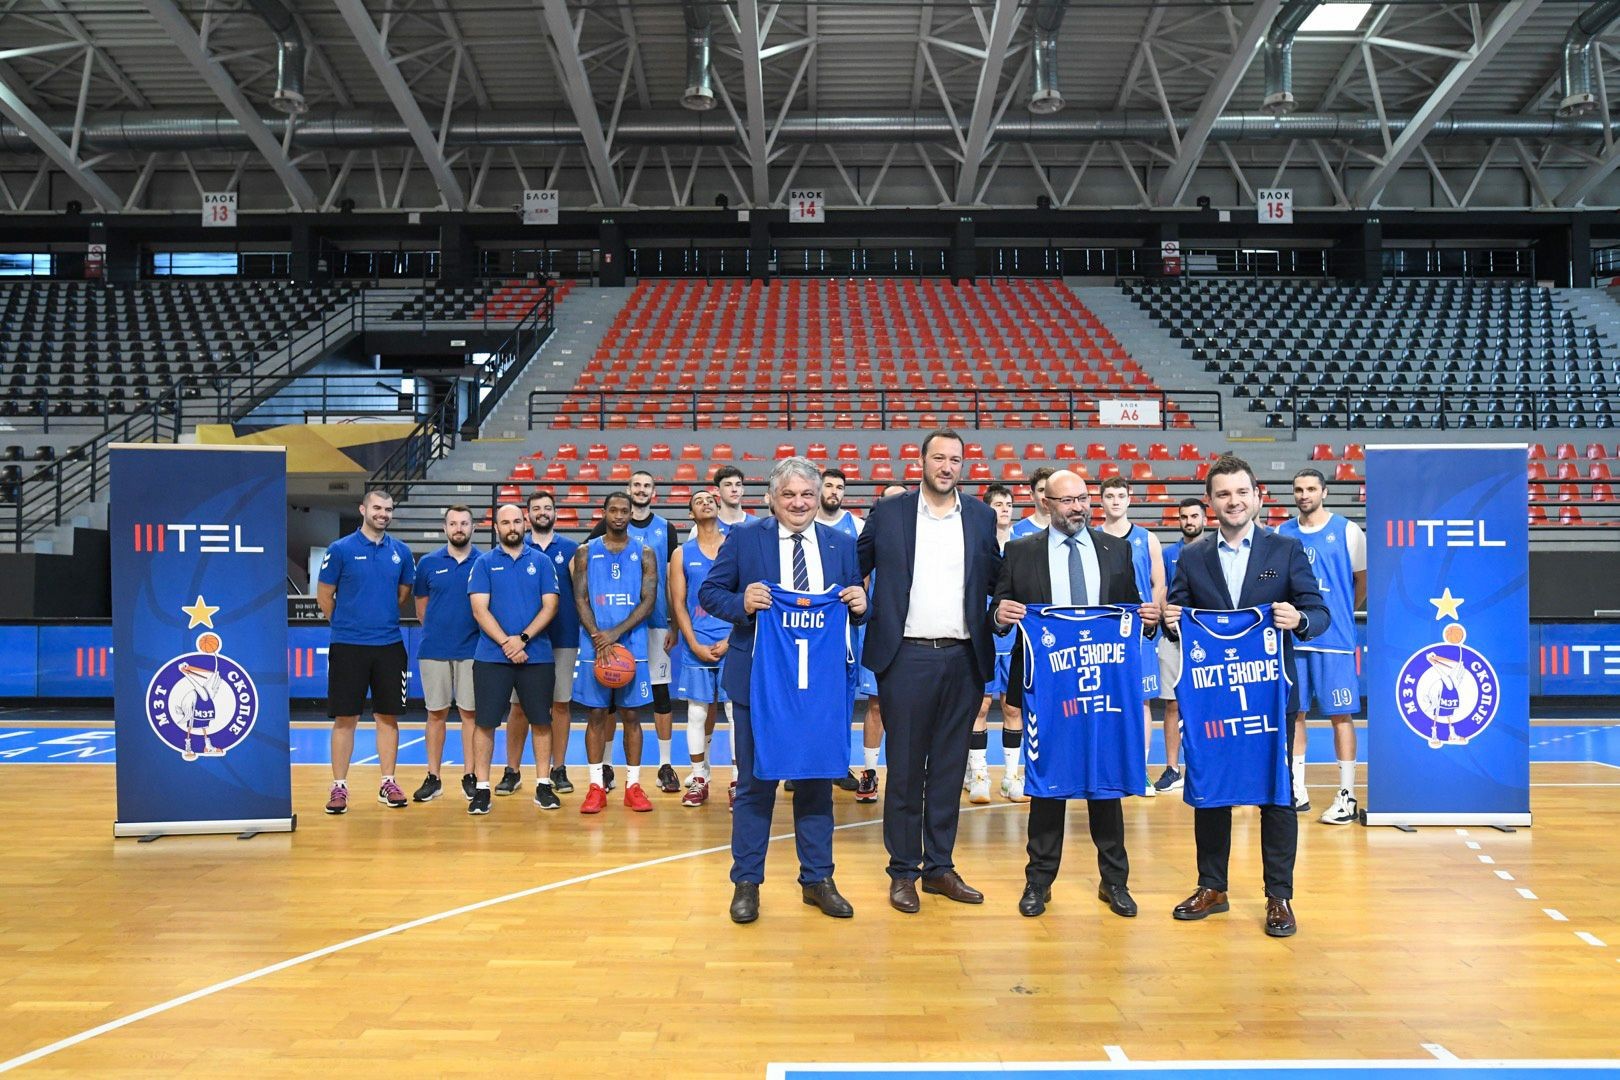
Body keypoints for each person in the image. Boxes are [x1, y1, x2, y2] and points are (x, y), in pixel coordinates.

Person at [1163, 454, 1329, 939]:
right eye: (1223, 494)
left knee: (1277, 794)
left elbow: (1319, 612)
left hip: (1272, 696)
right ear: (1210, 501)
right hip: (1213, 697)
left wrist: (1299, 619)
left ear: (1257, 496)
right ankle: (1212, 887)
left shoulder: (1286, 550)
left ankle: (1279, 896)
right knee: (1211, 787)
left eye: (1241, 492)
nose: (1233, 501)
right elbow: (1181, 619)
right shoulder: (1192, 556)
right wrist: (1171, 623)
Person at [699, 457, 868, 924]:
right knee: (756, 785)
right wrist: (742, 603)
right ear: (771, 499)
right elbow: (710, 593)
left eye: (807, 495)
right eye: (789, 495)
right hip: (758, 682)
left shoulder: (840, 544)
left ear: (819, 498)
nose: (798, 503)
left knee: (816, 782)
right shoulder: (744, 538)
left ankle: (818, 879)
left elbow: (856, 605)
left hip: (819, 687)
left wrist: (861, 604)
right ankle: (746, 883)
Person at [991, 470, 1159, 918]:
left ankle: (1115, 882)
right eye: (1067, 501)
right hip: (1046, 687)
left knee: (1105, 783)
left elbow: (1131, 613)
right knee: (1048, 784)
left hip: (1103, 682)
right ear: (1046, 503)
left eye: (1083, 498)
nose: (1078, 507)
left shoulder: (1115, 549)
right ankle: (1038, 882)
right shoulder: (1021, 551)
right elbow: (998, 609)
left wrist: (1148, 621)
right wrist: (1001, 616)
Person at [857, 430, 1002, 913]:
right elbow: (853, 566)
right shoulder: (889, 512)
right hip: (905, 657)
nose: (946, 466)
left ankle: (939, 867)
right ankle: (903, 871)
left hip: (963, 657)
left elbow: (997, 578)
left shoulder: (980, 516)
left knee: (947, 768)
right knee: (904, 770)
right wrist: (859, 606)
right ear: (921, 461)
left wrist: (1002, 610)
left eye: (955, 459)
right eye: (938, 457)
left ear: (963, 466)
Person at [1276, 468, 1366, 824]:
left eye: (1311, 489)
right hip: (1294, 640)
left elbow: (1362, 580)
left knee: (1340, 716)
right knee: (1294, 714)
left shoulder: (1347, 531)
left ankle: (1347, 795)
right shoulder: (1282, 533)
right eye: (1299, 489)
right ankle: (1296, 789)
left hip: (1335, 640)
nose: (1304, 495)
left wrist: (1340, 613)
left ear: (1324, 492)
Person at [316, 489, 415, 814]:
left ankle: (388, 782)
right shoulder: (340, 550)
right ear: (363, 509)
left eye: (388, 509)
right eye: (377, 508)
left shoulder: (401, 552)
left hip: (389, 645)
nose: (383, 513)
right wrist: (347, 624)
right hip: (348, 646)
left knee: (388, 716)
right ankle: (338, 786)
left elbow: (402, 594)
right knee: (346, 717)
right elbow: (324, 596)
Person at [466, 504, 561, 815]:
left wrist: (522, 639)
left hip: (536, 655)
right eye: (505, 522)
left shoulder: (543, 562)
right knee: (485, 722)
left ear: (525, 524)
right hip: (492, 656)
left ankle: (543, 785)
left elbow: (550, 606)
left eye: (517, 521)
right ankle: (482, 788)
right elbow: (479, 609)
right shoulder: (483, 563)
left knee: (542, 721)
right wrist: (507, 643)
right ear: (496, 527)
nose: (511, 526)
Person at [591, 471, 681, 793]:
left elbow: (672, 578)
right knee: (610, 694)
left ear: (653, 491)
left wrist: (674, 622)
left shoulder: (666, 528)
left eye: (647, 486)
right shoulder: (607, 527)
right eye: (636, 485)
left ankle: (665, 765)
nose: (641, 490)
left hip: (654, 623)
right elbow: (584, 566)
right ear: (628, 490)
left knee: (660, 694)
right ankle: (606, 766)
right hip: (614, 627)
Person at [573, 491, 658, 814]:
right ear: (604, 512)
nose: (619, 515)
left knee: (632, 716)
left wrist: (615, 633)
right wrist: (599, 636)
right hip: (594, 642)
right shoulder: (585, 552)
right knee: (596, 714)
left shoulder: (645, 553)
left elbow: (648, 601)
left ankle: (633, 786)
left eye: (624, 510)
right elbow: (580, 598)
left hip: (631, 643)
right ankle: (596, 786)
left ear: (631, 513)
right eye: (614, 510)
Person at [494, 490, 580, 802]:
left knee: (560, 704)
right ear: (527, 516)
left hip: (563, 636)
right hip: (524, 641)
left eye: (548, 507)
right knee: (518, 707)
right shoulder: (517, 547)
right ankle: (512, 770)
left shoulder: (571, 549)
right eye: (536, 508)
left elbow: (581, 594)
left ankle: (558, 768)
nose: (543, 512)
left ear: (555, 513)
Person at [1098, 476, 1167, 797]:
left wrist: (1154, 611)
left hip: (1139, 631)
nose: (1115, 501)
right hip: (1105, 630)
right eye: (1109, 495)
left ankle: (1140, 770)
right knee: (1104, 700)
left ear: (1129, 499)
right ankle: (1108, 767)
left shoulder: (1147, 538)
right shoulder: (1091, 537)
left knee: (1141, 700)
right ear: (1101, 500)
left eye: (1120, 495)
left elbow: (1159, 583)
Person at [411, 505, 481, 803]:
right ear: (445, 528)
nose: (459, 528)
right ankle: (434, 777)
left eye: (464, 523)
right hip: (435, 650)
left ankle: (471, 775)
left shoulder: (484, 562)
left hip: (473, 650)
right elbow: (421, 610)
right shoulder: (428, 563)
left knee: (470, 714)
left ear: (473, 528)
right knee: (435, 713)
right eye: (453, 523)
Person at [671, 489, 734, 809]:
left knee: (735, 713)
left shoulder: (734, 546)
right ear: (690, 514)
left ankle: (738, 780)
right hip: (697, 643)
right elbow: (678, 604)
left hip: (732, 640)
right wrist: (693, 643)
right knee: (697, 713)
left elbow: (747, 595)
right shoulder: (682, 554)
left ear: (718, 507)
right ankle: (699, 778)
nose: (706, 503)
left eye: (710, 499)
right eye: (698, 501)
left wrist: (733, 638)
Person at [966, 484, 1024, 804]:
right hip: (982, 633)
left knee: (1012, 706)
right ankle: (978, 774)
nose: (1004, 508)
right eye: (998, 504)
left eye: (1008, 503)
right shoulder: (976, 542)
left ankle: (1012, 777)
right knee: (982, 705)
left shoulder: (1023, 543)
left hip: (1015, 634)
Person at [850, 481, 907, 804]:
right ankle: (870, 771)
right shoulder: (874, 536)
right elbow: (860, 577)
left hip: (918, 634)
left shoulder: (924, 535)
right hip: (881, 629)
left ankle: (912, 772)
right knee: (876, 704)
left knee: (918, 707)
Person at [816, 467, 865, 795]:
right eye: (829, 485)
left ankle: (838, 763)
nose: (834, 491)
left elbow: (863, 578)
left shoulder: (856, 527)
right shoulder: (805, 524)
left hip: (844, 628)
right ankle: (802, 763)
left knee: (843, 700)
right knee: (808, 698)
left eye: (839, 487)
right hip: (808, 629)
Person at [1153, 497, 1206, 793]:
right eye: (1184, 516)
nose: (1189, 521)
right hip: (1174, 638)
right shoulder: (1168, 554)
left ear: (1204, 518)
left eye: (1194, 516)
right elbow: (1161, 591)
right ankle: (1173, 769)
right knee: (1172, 704)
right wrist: (1168, 619)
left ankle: (1206, 767)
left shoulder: (1214, 550)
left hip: (1207, 640)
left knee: (1208, 705)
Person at [689, 464, 755, 539]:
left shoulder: (757, 525)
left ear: (742, 490)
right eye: (728, 485)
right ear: (717, 491)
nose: (734, 489)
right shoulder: (699, 530)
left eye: (738, 485)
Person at [1009, 466, 1055, 540]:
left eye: (1050, 490)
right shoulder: (1016, 531)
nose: (1046, 495)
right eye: (1041, 490)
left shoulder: (1067, 528)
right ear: (1032, 495)